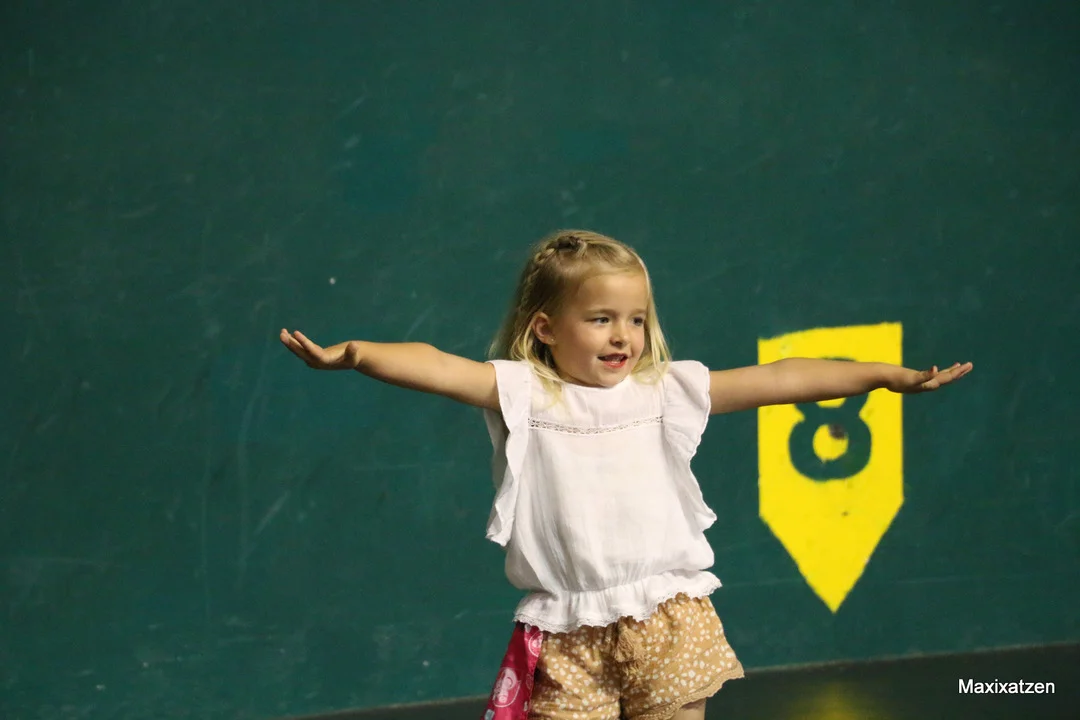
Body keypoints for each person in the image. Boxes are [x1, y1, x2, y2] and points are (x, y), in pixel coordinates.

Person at [280, 229, 972, 720]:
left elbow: (780, 378)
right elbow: (436, 364)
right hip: (569, 629)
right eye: (601, 318)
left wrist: (881, 375)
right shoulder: (524, 394)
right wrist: (357, 353)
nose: (623, 335)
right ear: (546, 327)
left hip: (670, 617)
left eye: (636, 319)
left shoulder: (664, 390)